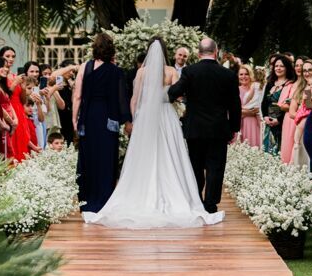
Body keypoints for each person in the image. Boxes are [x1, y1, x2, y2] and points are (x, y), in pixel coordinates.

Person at [84, 37, 223, 227]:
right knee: (171, 155)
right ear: (166, 52)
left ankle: (141, 194)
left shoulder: (141, 72)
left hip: (145, 117)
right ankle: (178, 195)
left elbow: (134, 99)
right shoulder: (172, 71)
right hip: (166, 116)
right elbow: (177, 96)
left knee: (145, 156)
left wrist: (133, 121)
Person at [167, 35, 241, 214]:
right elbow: (235, 104)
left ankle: (197, 199)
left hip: (195, 128)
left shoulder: (190, 72)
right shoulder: (228, 74)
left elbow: (173, 92)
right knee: (215, 167)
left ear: (198, 53)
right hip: (218, 128)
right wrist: (234, 128)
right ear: (215, 53)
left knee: (196, 165)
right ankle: (211, 204)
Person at [76, 32, 132, 214]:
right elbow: (122, 98)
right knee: (106, 158)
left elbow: (77, 95)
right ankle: (105, 199)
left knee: (88, 156)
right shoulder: (116, 72)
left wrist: (74, 119)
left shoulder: (86, 67)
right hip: (108, 118)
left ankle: (87, 198)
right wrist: (126, 121)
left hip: (89, 116)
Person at [0, 47, 36, 163]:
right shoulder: (2, 77)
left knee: (22, 143)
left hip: (19, 110)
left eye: (13, 56)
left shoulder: (15, 76)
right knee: (11, 144)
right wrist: (14, 84)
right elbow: (4, 97)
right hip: (8, 110)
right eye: (7, 56)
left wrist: (23, 88)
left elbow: (23, 100)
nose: (11, 59)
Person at [262, 54, 295, 155]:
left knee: (280, 150)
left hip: (282, 122)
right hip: (269, 122)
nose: (278, 68)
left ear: (287, 68)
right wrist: (265, 117)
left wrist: (278, 120)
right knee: (268, 150)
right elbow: (264, 102)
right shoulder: (270, 82)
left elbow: (289, 105)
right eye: (276, 66)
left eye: (281, 66)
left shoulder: (291, 84)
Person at [234, 63, 263, 147]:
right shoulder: (235, 90)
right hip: (238, 123)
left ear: (251, 75)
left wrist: (242, 111)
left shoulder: (257, 88)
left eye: (246, 74)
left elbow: (257, 108)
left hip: (252, 122)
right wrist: (248, 112)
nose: (244, 77)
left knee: (252, 146)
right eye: (241, 74)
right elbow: (232, 109)